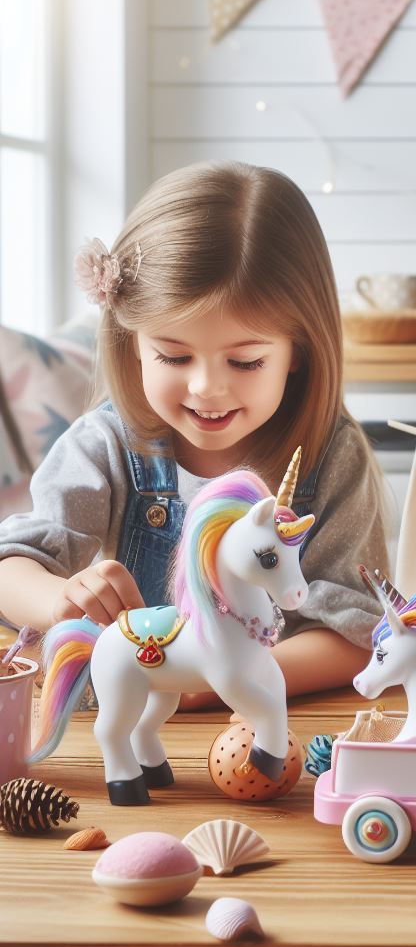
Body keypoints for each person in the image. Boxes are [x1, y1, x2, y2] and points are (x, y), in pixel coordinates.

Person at [0, 161, 391, 706]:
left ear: (298, 352)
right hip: (127, 730)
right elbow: (11, 565)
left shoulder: (331, 457)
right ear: (131, 342)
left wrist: (209, 683)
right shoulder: (107, 444)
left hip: (272, 724)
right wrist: (63, 598)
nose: (207, 388)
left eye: (247, 361)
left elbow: (355, 634)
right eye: (174, 355)